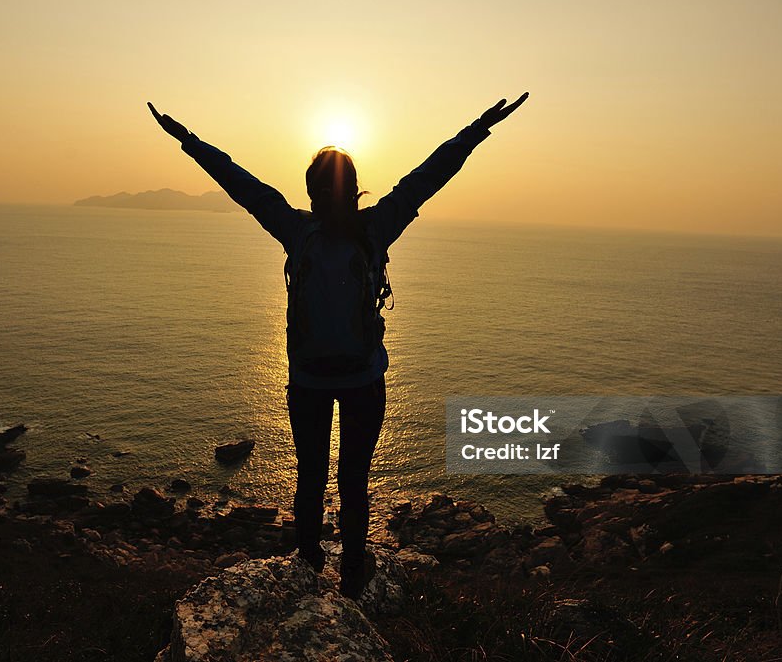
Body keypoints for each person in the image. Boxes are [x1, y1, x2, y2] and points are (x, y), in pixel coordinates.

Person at [147, 94, 529, 597]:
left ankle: (310, 566)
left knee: (312, 478)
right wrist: (478, 128)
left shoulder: (299, 230)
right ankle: (349, 573)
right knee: (352, 482)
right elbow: (428, 176)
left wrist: (188, 141)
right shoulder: (375, 227)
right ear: (353, 190)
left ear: (313, 194)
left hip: (311, 381)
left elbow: (240, 183)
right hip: (361, 381)